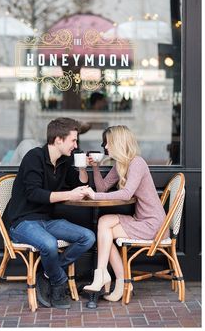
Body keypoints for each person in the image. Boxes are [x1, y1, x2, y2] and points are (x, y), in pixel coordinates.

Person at [3, 118, 95, 309]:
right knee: (49, 244)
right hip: (22, 222)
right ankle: (59, 281)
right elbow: (34, 194)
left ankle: (47, 273)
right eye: (73, 141)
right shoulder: (33, 157)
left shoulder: (64, 161)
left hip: (47, 220)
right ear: (59, 140)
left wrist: (82, 167)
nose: (76, 146)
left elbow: (79, 184)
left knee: (88, 237)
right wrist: (69, 195)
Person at [83, 125, 169, 301]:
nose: (105, 147)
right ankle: (116, 283)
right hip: (141, 221)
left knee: (104, 225)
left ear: (119, 142)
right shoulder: (121, 164)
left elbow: (126, 193)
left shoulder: (137, 162)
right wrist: (96, 167)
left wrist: (94, 195)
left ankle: (103, 276)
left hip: (153, 225)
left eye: (108, 143)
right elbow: (103, 188)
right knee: (105, 228)